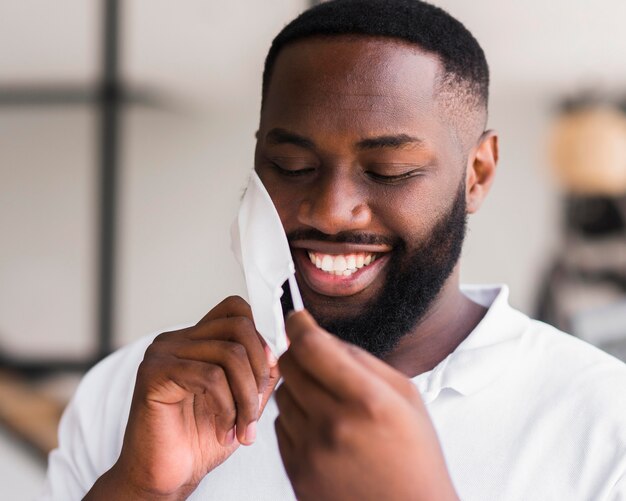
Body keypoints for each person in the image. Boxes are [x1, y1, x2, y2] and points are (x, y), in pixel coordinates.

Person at [41, 1, 626, 499]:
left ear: (477, 173)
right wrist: (138, 491)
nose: (329, 209)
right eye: (292, 165)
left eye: (389, 170)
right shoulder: (131, 396)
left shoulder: (601, 422)